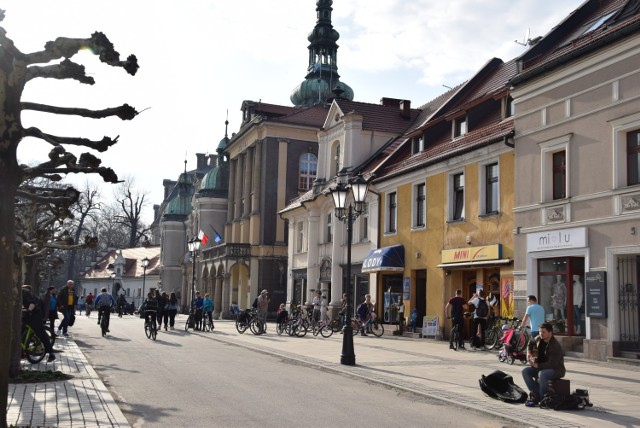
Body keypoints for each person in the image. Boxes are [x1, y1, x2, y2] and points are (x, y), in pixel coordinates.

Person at [522, 322, 566, 406]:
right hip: (540, 367)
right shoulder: (538, 338)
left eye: (543, 332)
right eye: (539, 331)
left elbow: (552, 364)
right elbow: (530, 343)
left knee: (542, 374)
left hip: (556, 369)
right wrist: (528, 353)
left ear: (550, 333)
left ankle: (543, 398)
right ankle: (536, 394)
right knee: (525, 371)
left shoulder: (555, 346)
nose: (541, 334)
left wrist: (537, 365)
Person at [22, 285, 56, 362]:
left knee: (41, 333)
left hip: (35, 316)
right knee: (21, 333)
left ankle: (51, 353)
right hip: (26, 315)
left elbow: (32, 304)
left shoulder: (24, 292)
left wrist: (29, 311)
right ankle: (22, 352)